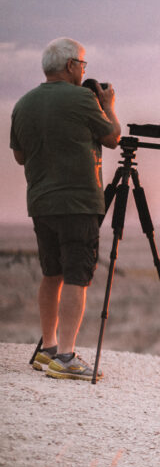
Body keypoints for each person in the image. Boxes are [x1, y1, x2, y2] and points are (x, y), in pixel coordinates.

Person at [10, 37, 121, 381]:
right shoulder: (83, 99)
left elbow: (19, 156)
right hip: (78, 202)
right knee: (77, 274)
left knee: (51, 272)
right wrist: (108, 104)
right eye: (83, 64)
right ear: (72, 65)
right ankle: (67, 356)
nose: (85, 71)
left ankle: (47, 348)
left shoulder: (23, 103)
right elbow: (113, 136)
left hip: (41, 201)